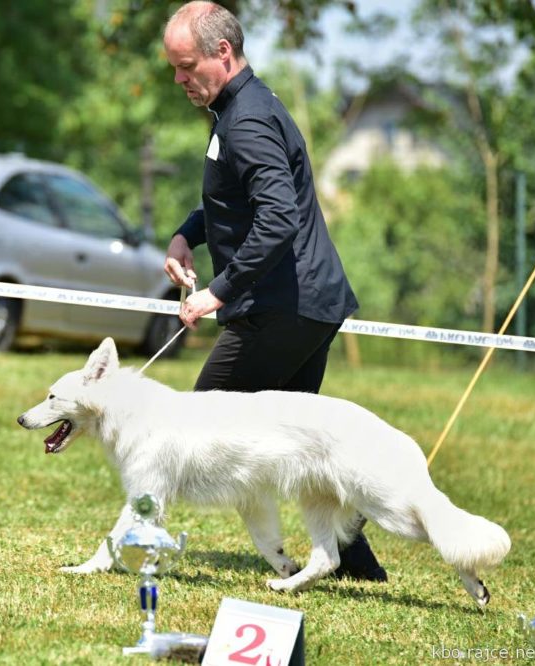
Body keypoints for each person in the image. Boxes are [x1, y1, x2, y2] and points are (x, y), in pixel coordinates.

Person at [161, 0, 386, 582]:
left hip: (284, 309)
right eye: (174, 69)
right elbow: (235, 202)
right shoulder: (236, 111)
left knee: (193, 427)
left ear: (223, 53)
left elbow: (278, 218)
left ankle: (140, 542)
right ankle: (356, 564)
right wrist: (188, 235)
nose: (179, 79)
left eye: (186, 66)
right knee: (305, 449)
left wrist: (218, 290)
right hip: (306, 305)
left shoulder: (249, 118)